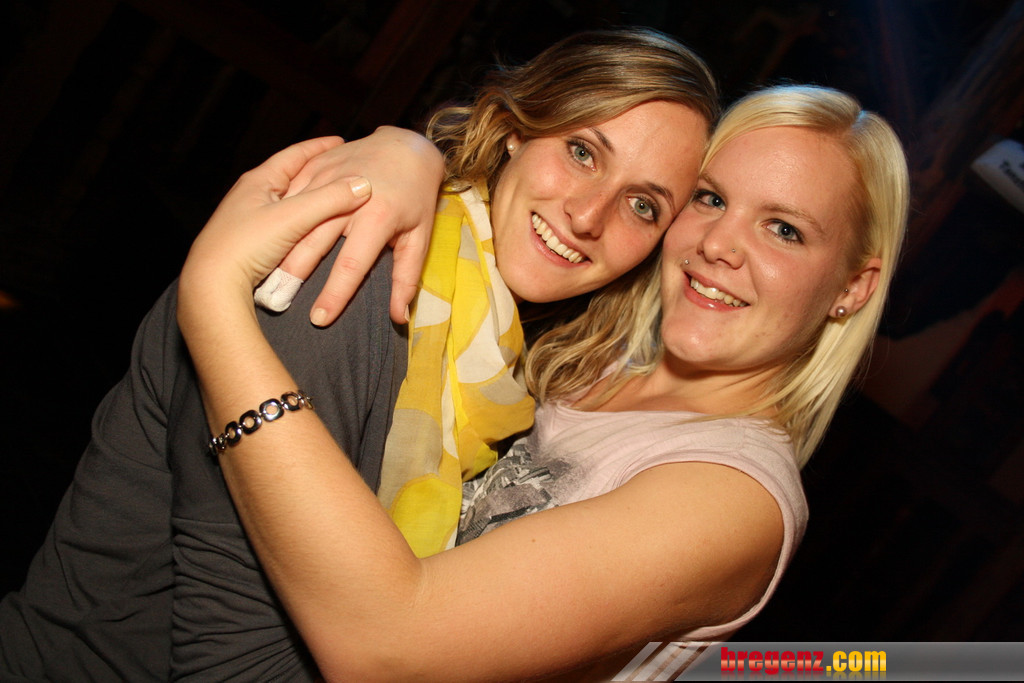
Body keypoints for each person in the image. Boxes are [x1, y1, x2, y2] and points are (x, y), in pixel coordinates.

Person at [0, 28, 717, 681]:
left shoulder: (504, 354)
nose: (589, 216)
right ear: (513, 131)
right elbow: (233, 661)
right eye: (582, 151)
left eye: (643, 205)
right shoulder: (348, 274)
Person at [176, 82, 909, 681]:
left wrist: (212, 304)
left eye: (785, 229)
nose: (719, 245)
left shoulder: (732, 498)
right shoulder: (583, 346)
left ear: (853, 285)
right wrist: (408, 154)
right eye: (712, 199)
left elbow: (385, 647)